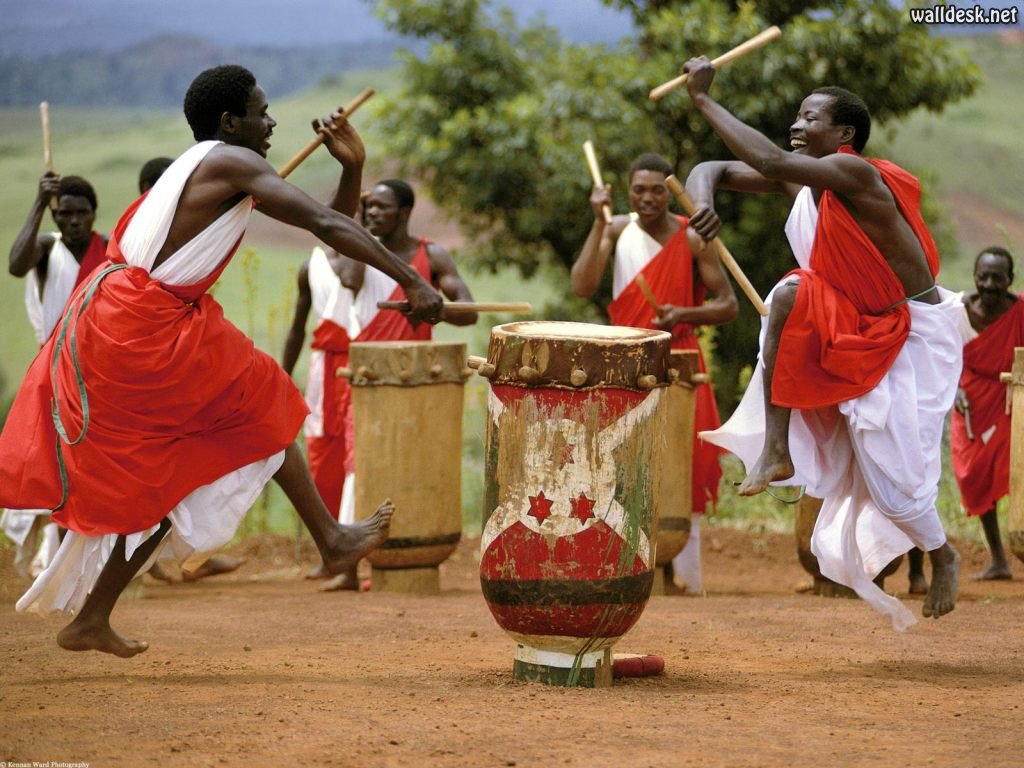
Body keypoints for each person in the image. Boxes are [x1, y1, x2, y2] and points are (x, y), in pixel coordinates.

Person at [0, 64, 443, 657]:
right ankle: (331, 539)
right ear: (230, 122)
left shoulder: (206, 168)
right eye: (262, 112)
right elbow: (327, 222)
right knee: (263, 398)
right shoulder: (231, 164)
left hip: (120, 322)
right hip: (142, 327)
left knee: (168, 470)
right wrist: (413, 279)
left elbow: (325, 227)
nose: (272, 121)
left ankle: (91, 619)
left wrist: (351, 167)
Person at [682, 56, 960, 629]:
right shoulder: (808, 179)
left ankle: (941, 553)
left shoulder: (855, 174)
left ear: (844, 136)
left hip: (910, 331)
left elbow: (765, 159)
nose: (797, 125)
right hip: (854, 321)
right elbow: (711, 167)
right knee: (788, 294)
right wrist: (701, 204)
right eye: (798, 117)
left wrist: (704, 100)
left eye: (810, 118)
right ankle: (777, 448)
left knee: (894, 479)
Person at [283, 178, 477, 590]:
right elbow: (351, 279)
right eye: (367, 207)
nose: (371, 213)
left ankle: (410, 553)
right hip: (368, 379)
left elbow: (467, 312)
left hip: (416, 384)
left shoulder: (432, 255)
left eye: (381, 208)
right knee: (358, 466)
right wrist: (356, 227)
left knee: (412, 470)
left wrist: (434, 309)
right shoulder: (362, 253)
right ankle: (350, 566)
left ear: (404, 213)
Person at [571, 152, 738, 593]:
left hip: (679, 360)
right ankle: (628, 571)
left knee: (687, 465)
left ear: (670, 191)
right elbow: (582, 285)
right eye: (639, 190)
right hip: (625, 360)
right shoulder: (615, 228)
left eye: (657, 190)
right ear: (627, 192)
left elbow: (728, 305)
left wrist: (682, 313)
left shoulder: (692, 236)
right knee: (623, 463)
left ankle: (685, 576)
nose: (648, 198)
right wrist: (595, 222)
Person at [139, 156, 246, 584]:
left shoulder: (197, 224)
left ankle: (189, 555)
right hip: (145, 359)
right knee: (149, 472)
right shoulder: (142, 238)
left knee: (186, 461)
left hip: (181, 352)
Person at [1, 174, 110, 578]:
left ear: (94, 214)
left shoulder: (111, 249)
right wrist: (36, 202)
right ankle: (61, 561)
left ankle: (102, 561)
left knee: (99, 469)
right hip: (56, 372)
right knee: (60, 468)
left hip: (103, 375)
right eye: (65, 214)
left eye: (82, 213)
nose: (74, 222)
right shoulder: (48, 249)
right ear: (55, 215)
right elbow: (15, 265)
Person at [931, 247, 1020, 583]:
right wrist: (954, 391)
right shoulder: (958, 312)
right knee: (973, 475)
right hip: (968, 402)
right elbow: (941, 358)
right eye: (982, 276)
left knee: (1016, 470)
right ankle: (999, 560)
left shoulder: (1020, 312)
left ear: (1010, 280)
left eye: (997, 277)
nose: (989, 284)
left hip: (1011, 401)